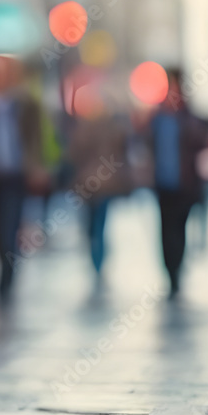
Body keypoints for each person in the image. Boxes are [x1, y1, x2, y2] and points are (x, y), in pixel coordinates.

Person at [0, 55, 46, 301]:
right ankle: (3, 267)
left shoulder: (25, 103)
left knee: (10, 227)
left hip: (15, 174)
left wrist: (36, 166)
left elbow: (35, 138)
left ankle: (7, 277)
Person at [146, 69, 208, 297]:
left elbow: (201, 141)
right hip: (163, 184)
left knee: (179, 229)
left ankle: (178, 269)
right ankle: (170, 271)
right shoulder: (158, 118)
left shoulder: (188, 117)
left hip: (184, 184)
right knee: (165, 229)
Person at [66, 88, 130, 279]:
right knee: (101, 221)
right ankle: (99, 253)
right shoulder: (114, 127)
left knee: (92, 221)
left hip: (90, 182)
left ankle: (96, 253)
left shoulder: (85, 127)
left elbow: (74, 153)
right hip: (106, 181)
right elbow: (122, 151)